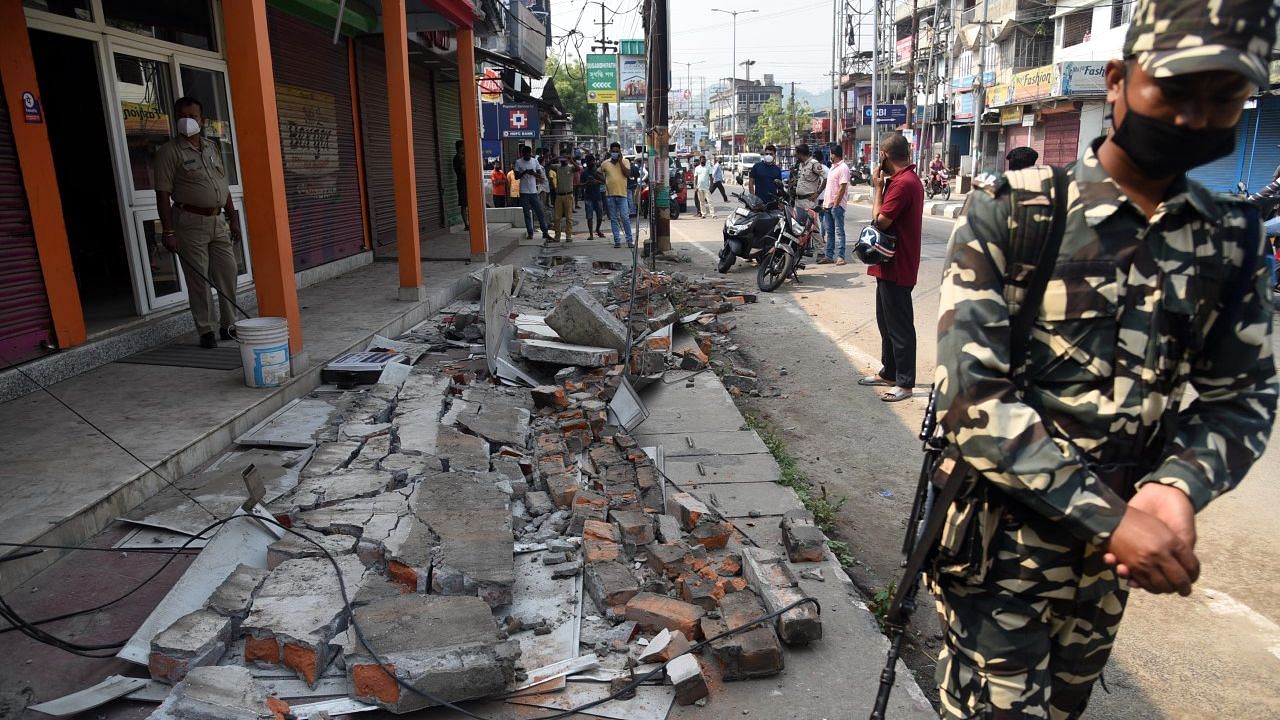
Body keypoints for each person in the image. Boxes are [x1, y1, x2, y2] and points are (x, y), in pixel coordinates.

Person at [930, 1, 1278, 716]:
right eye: (1174, 92)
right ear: (1118, 80)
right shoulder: (1019, 210)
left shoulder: (1229, 243)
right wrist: (1110, 516)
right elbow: (972, 398)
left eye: (1224, 99)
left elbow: (1240, 398)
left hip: (1111, 567)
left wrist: (1176, 488)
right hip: (1001, 553)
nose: (1193, 118)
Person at [153, 96, 241, 349]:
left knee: (227, 272)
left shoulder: (211, 148)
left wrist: (233, 219)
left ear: (202, 120)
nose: (187, 121)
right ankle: (206, 330)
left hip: (218, 220)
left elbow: (222, 187)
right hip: (190, 222)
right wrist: (168, 231)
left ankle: (228, 325)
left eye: (192, 116)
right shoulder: (169, 152)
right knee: (198, 279)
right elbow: (162, 194)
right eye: (182, 116)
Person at [857, 132, 922, 403]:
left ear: (884, 155)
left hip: (898, 265)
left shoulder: (903, 183)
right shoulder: (902, 180)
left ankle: (905, 382)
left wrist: (877, 188)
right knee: (886, 322)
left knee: (900, 326)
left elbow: (879, 221)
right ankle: (890, 371)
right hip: (887, 263)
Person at [817, 145, 850, 265]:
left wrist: (836, 204)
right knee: (829, 232)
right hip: (828, 205)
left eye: (831, 154)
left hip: (837, 206)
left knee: (839, 231)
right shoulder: (832, 168)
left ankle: (841, 256)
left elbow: (842, 187)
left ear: (834, 155)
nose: (830, 156)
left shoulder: (843, 168)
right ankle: (829, 256)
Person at [514, 145, 552, 241]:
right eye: (525, 154)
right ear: (522, 154)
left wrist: (533, 173)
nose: (527, 156)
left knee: (540, 212)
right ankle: (530, 233)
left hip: (534, 192)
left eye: (528, 154)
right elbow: (516, 177)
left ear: (530, 153)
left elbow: (540, 176)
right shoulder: (518, 162)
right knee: (527, 213)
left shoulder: (534, 161)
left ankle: (545, 232)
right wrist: (525, 172)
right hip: (523, 192)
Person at [601, 142, 634, 248]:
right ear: (610, 152)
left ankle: (629, 240)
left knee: (625, 217)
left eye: (617, 151)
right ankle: (617, 241)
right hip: (610, 195)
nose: (615, 153)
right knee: (614, 219)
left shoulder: (625, 161)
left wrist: (620, 162)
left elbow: (627, 174)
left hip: (622, 195)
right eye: (613, 151)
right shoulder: (605, 163)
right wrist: (604, 180)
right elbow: (598, 172)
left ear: (620, 152)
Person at [791, 143, 827, 211]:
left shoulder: (814, 164)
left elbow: (826, 178)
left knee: (809, 221)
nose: (796, 157)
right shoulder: (801, 164)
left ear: (801, 154)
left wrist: (818, 193)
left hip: (808, 202)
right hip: (798, 201)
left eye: (797, 155)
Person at [551, 156, 577, 242]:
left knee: (569, 217)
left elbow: (578, 168)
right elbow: (548, 165)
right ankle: (557, 236)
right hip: (559, 195)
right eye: (561, 160)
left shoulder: (571, 167)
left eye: (564, 160)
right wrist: (556, 157)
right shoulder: (557, 167)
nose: (562, 161)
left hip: (568, 195)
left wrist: (571, 160)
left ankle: (568, 235)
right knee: (557, 217)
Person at [581, 155, 607, 238]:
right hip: (588, 196)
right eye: (588, 161)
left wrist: (596, 181)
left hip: (597, 195)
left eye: (591, 161)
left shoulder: (597, 171)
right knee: (589, 216)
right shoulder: (584, 172)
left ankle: (597, 229)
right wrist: (586, 183)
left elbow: (604, 181)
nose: (590, 163)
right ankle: (591, 234)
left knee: (599, 215)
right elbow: (580, 184)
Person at [453, 139, 469, 230]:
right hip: (462, 183)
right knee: (464, 204)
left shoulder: (463, 157)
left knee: (469, 204)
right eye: (463, 146)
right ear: (459, 148)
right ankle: (466, 224)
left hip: (466, 183)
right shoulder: (458, 158)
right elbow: (463, 170)